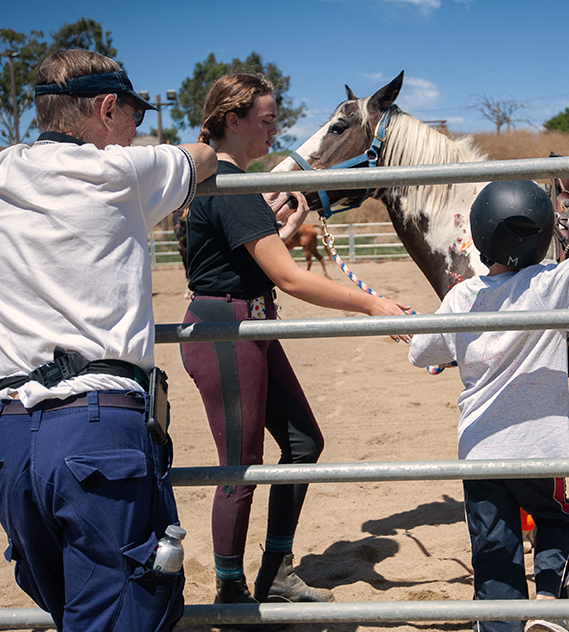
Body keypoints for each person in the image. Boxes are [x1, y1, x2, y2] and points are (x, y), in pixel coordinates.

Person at [0, 49, 217, 631]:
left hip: (12, 434)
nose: (135, 133)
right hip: (99, 430)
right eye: (133, 119)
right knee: (123, 608)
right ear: (106, 107)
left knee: (70, 606)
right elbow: (204, 156)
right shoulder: (125, 172)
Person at [179, 73, 411, 615]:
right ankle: (230, 589)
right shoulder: (228, 184)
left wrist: (285, 230)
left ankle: (277, 570)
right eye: (265, 119)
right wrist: (373, 304)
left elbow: (240, 260)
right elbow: (291, 279)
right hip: (227, 330)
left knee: (303, 443)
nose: (274, 129)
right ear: (233, 121)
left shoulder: (232, 182)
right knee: (240, 466)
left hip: (248, 324)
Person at [408, 143, 569, 632]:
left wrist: (442, 334)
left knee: (493, 540)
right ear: (542, 237)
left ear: (479, 238)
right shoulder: (551, 284)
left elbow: (420, 354)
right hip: (540, 448)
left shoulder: (460, 297)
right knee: (555, 519)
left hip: (479, 450)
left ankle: (499, 624)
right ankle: (547, 609)